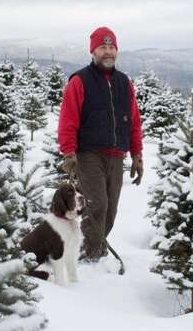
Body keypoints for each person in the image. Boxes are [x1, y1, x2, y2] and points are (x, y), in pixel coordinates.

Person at [57, 26, 144, 261]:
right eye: (102, 47)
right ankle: (88, 256)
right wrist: (69, 153)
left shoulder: (124, 83)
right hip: (89, 154)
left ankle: (94, 249)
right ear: (93, 51)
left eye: (111, 47)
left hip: (116, 155)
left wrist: (137, 155)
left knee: (111, 210)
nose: (108, 52)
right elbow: (68, 119)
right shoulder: (80, 81)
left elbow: (134, 121)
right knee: (97, 206)